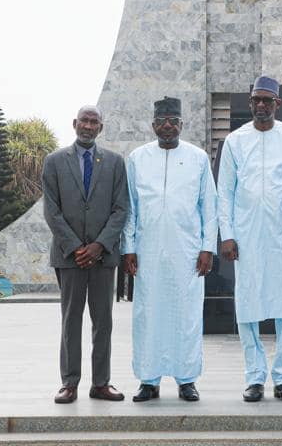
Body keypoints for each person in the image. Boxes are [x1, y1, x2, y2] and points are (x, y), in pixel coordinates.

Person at [217, 75, 282, 403]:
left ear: (277, 104)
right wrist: (227, 235)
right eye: (256, 100)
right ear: (250, 102)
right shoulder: (235, 141)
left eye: (267, 101)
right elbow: (224, 192)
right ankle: (254, 377)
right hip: (248, 237)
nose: (261, 105)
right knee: (248, 305)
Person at [121, 97, 217, 403]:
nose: (167, 126)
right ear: (153, 125)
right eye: (162, 121)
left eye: (173, 121)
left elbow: (209, 206)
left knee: (186, 313)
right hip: (147, 249)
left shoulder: (198, 157)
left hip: (187, 250)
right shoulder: (137, 158)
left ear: (181, 125)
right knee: (148, 313)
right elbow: (130, 209)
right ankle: (148, 380)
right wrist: (129, 247)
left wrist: (207, 247)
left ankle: (186, 379)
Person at [42, 105, 129, 404]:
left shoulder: (116, 163)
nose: (88, 126)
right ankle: (69, 383)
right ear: (74, 124)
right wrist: (77, 247)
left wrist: (99, 246)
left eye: (94, 122)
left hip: (103, 257)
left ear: (100, 128)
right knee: (71, 320)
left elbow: (121, 210)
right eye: (84, 121)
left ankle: (101, 383)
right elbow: (51, 211)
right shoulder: (54, 162)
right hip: (69, 257)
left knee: (103, 321)